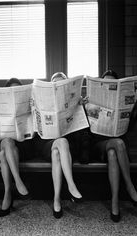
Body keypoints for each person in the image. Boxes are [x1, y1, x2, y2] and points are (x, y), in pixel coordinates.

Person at [87, 70, 137, 222]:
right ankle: (129, 185)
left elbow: (129, 128)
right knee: (118, 143)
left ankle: (114, 202)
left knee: (113, 153)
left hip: (116, 146)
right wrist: (85, 107)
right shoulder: (92, 100)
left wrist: (134, 111)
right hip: (98, 144)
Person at [33, 72, 83, 219]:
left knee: (58, 150)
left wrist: (81, 107)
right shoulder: (41, 100)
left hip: (67, 145)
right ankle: (71, 185)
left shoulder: (74, 101)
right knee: (59, 143)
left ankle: (56, 199)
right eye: (55, 83)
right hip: (45, 142)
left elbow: (81, 129)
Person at [0, 78, 33, 217]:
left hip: (24, 144)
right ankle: (18, 182)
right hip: (5, 140)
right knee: (6, 141)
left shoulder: (28, 103)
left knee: (3, 155)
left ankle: (7, 193)